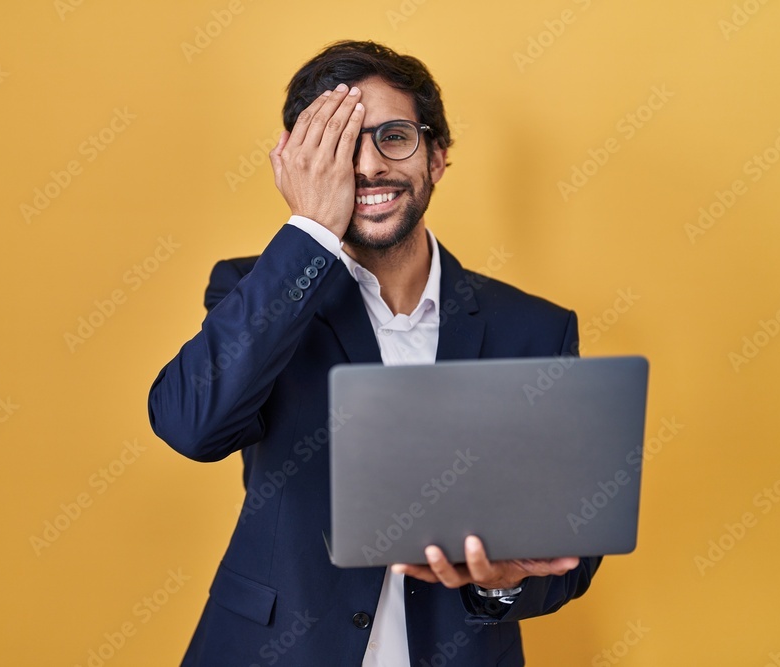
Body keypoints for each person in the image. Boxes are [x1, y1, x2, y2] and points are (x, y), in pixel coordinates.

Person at [149, 40, 600, 666]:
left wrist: (503, 582)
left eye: (393, 137)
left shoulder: (534, 330)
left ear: (437, 156)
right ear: (298, 163)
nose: (366, 166)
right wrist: (310, 230)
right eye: (336, 145)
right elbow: (190, 425)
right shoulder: (256, 290)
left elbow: (571, 556)